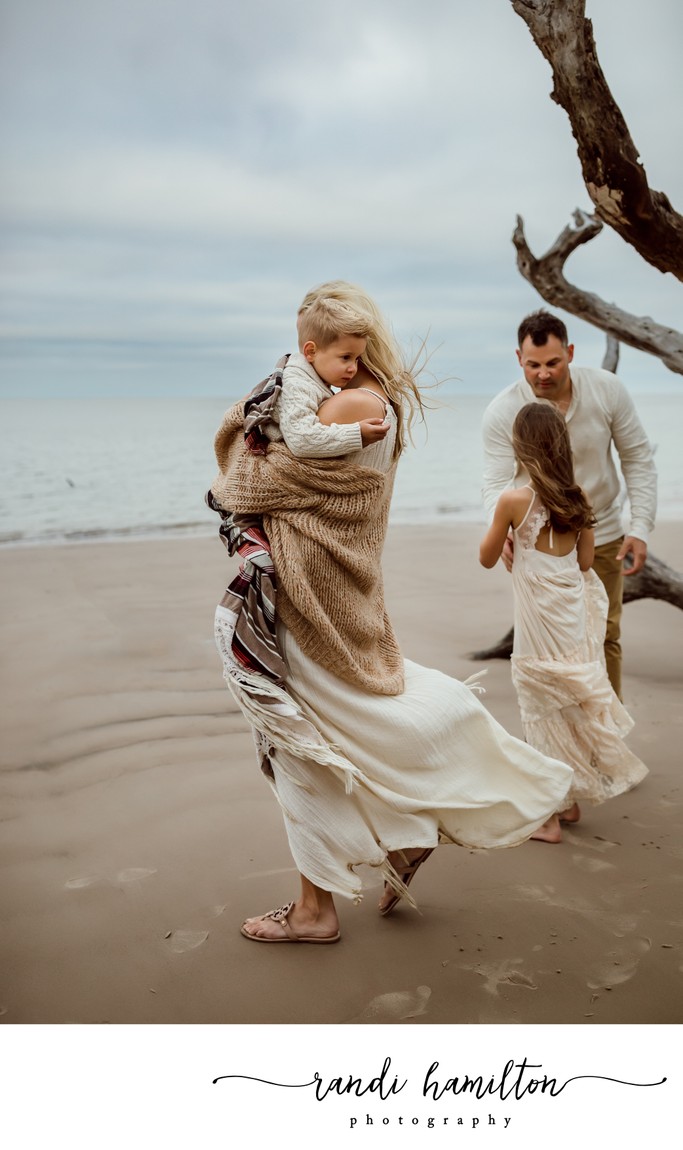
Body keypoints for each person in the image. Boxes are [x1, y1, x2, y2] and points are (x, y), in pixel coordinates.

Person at [208, 283, 574, 944]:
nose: (345, 362)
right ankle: (403, 838)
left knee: (305, 744)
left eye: (351, 351)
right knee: (344, 722)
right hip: (343, 588)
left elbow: (242, 481)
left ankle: (318, 908)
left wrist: (244, 428)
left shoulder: (347, 404)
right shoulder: (381, 403)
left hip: (308, 592)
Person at [479, 403, 648, 843]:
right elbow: (587, 560)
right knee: (566, 707)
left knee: (539, 708)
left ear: (521, 448)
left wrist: (511, 536)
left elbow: (486, 556)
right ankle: (569, 800)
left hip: (537, 626)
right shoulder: (580, 497)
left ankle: (550, 817)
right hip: (569, 620)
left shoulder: (513, 500)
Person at [481, 310, 657, 698]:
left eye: (553, 363)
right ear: (519, 359)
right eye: (533, 365)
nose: (543, 374)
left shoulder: (607, 390)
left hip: (604, 531)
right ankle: (558, 729)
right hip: (537, 547)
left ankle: (606, 730)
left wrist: (640, 527)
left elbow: (637, 459)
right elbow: (495, 482)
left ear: (571, 353)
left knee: (604, 631)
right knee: (547, 642)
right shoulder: (502, 411)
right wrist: (503, 531)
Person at [258, 294, 391, 459]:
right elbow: (301, 441)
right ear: (311, 352)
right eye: (345, 357)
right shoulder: (297, 384)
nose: (353, 368)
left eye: (357, 359)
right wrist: (357, 434)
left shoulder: (313, 380)